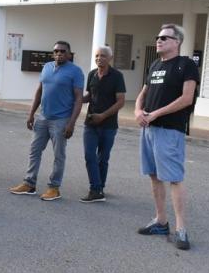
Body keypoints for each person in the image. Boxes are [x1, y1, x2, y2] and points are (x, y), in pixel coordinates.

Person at [135, 24, 198, 250]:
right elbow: (143, 93)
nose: (159, 40)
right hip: (148, 129)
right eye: (157, 36)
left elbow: (187, 98)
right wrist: (138, 111)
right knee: (154, 175)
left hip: (170, 130)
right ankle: (161, 221)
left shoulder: (186, 65)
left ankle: (181, 229)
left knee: (174, 178)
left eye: (164, 37)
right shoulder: (154, 65)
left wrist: (156, 114)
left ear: (177, 41)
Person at [9, 40, 84, 201]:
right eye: (56, 51)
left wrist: (71, 123)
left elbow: (78, 99)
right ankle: (29, 184)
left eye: (63, 51)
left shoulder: (76, 71)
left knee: (59, 155)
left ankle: (54, 188)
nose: (59, 54)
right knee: (34, 151)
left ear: (69, 54)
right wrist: (31, 114)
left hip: (61, 120)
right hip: (43, 117)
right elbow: (39, 91)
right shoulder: (47, 67)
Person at [80, 46, 126, 203]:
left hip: (109, 125)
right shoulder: (92, 74)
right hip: (91, 123)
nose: (99, 58)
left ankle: (99, 187)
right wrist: (76, 99)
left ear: (110, 58)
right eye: (97, 55)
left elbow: (121, 101)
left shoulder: (117, 76)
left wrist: (103, 116)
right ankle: (95, 189)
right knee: (89, 155)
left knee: (103, 158)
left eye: (103, 56)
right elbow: (89, 96)